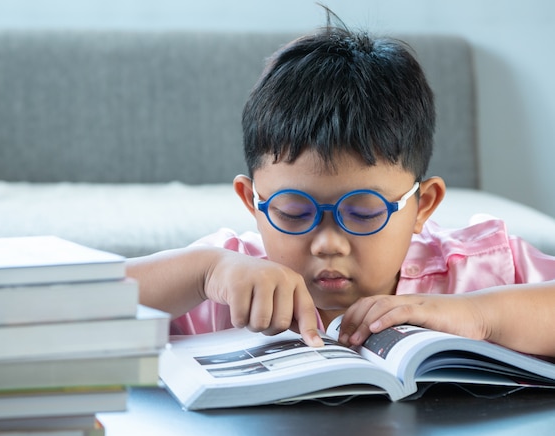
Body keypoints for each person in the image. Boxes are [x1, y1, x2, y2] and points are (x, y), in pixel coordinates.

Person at [126, 10, 555, 357]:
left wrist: (480, 315)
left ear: (422, 205)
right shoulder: (224, 281)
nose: (328, 243)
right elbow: (65, 310)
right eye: (293, 212)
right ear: (252, 200)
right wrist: (204, 272)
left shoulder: (477, 270)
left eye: (364, 211)